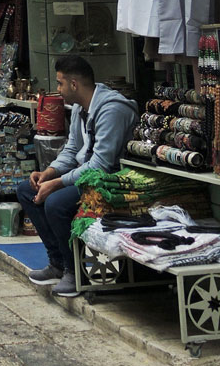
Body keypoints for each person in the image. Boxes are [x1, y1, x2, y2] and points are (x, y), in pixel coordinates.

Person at [16, 56, 137, 297]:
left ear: (73, 84)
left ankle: (74, 271)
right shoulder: (80, 109)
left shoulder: (112, 109)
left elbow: (100, 165)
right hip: (86, 174)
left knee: (56, 202)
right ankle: (57, 262)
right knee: (27, 190)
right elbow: (72, 150)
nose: (58, 90)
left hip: (109, 179)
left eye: (60, 84)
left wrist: (57, 183)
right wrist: (48, 173)